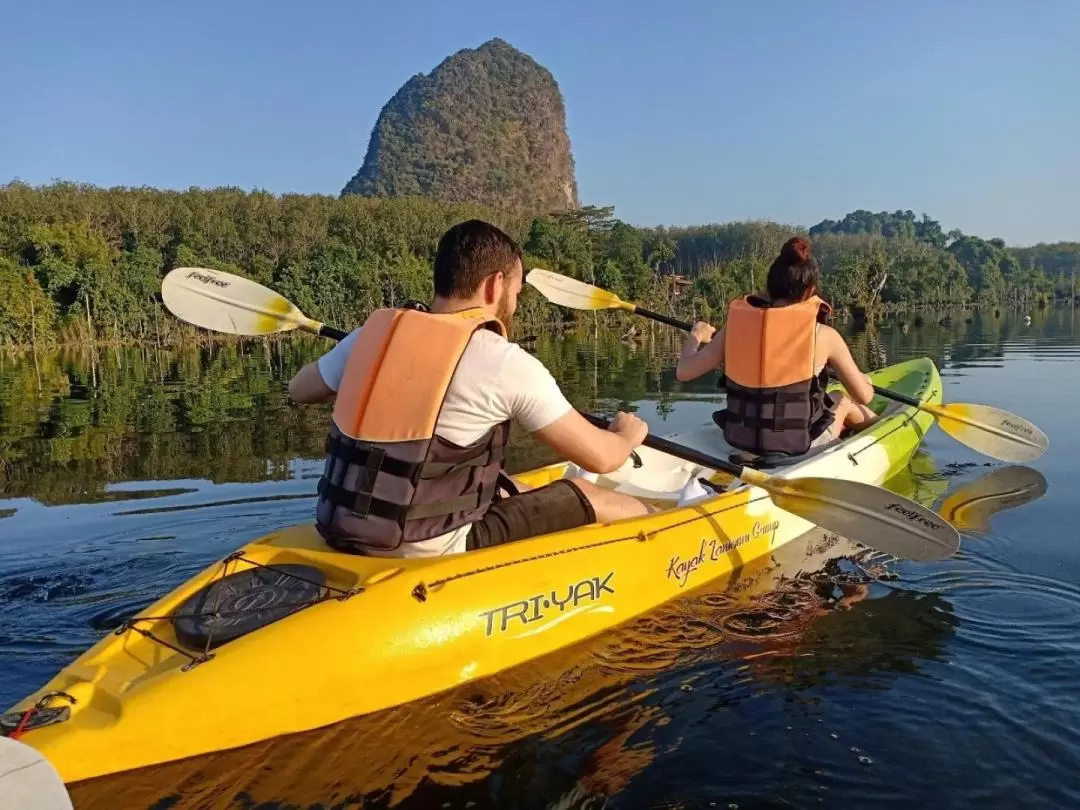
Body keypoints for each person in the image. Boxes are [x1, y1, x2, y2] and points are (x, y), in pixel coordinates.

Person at [288, 219, 652, 558]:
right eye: (517, 291)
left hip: (339, 527)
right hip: (432, 545)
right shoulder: (504, 362)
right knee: (604, 499)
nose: (516, 303)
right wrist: (626, 436)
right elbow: (602, 459)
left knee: (516, 490)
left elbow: (300, 389)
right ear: (495, 285)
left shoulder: (372, 337)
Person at [675, 236, 876, 456]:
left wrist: (696, 336)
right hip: (798, 447)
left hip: (740, 439)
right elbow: (864, 396)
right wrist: (865, 382)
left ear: (770, 287)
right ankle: (882, 428)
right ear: (809, 292)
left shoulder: (735, 328)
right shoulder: (824, 335)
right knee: (843, 399)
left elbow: (684, 371)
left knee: (835, 397)